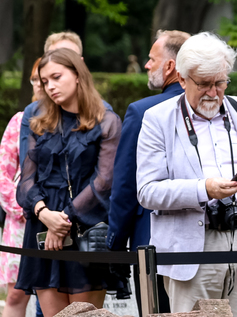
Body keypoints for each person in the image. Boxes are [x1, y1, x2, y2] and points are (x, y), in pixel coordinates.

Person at [136, 32, 237, 317]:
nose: (213, 92)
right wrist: (203, 189)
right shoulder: (158, 120)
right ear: (182, 79)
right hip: (192, 249)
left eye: (220, 83)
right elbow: (147, 192)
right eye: (203, 84)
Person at [15, 48, 124, 317]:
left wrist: (62, 220)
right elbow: (26, 180)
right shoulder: (38, 121)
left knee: (82, 316)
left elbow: (105, 181)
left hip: (85, 229)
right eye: (44, 82)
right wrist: (44, 213)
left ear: (77, 75)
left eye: (56, 77)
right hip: (42, 229)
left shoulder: (107, 121)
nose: (50, 87)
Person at [107, 29, 190, 315]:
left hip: (152, 241)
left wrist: (115, 245)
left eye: (152, 59)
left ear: (170, 66)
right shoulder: (220, 109)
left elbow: (127, 186)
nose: (146, 65)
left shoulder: (142, 111)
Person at [19, 31, 112, 171]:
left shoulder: (102, 113)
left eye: (67, 57)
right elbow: (28, 168)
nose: (57, 61)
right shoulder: (33, 112)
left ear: (79, 65)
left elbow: (105, 176)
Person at [0, 59, 43, 317]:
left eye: (44, 80)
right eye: (35, 80)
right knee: (16, 293)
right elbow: (3, 172)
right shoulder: (19, 121)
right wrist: (21, 207)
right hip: (20, 219)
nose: (38, 85)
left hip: (52, 219)